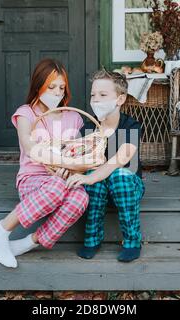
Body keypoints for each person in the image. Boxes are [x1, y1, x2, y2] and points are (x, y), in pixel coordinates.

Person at [0, 59, 90, 268]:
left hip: (63, 179)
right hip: (33, 180)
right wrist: (64, 162)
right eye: (51, 87)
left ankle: (29, 242)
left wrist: (71, 167)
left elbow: (81, 157)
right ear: (38, 85)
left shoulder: (73, 117)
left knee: (81, 197)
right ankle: (1, 229)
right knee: (56, 187)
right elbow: (29, 146)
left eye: (61, 88)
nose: (57, 93)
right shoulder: (26, 113)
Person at [66, 69, 145, 263]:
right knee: (93, 176)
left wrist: (91, 176)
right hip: (98, 189)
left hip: (126, 187)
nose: (96, 100)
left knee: (118, 175)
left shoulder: (131, 125)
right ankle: (92, 237)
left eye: (103, 95)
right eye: (93, 95)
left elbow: (121, 158)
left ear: (120, 99)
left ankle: (132, 240)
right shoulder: (88, 128)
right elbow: (79, 160)